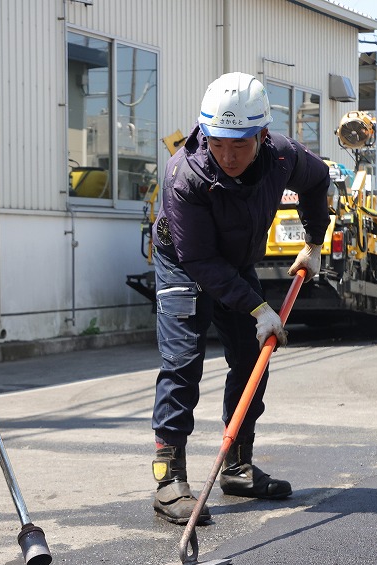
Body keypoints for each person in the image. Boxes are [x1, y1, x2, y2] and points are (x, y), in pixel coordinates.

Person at [149, 72, 329, 524]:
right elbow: (199, 259)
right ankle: (169, 479)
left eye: (239, 145)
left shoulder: (282, 157)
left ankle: (238, 466)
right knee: (183, 362)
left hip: (234, 259)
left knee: (252, 356)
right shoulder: (183, 174)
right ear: (204, 133)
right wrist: (258, 306)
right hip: (184, 263)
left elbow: (319, 178)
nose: (227, 156)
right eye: (217, 143)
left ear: (262, 135)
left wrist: (313, 241)